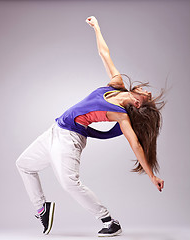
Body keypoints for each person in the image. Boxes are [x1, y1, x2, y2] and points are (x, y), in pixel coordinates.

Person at [16, 16, 165, 237]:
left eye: (147, 98)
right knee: (24, 164)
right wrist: (97, 27)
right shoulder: (116, 86)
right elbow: (104, 54)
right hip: (55, 130)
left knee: (69, 183)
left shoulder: (121, 115)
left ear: (137, 103)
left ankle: (109, 221)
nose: (149, 92)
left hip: (70, 138)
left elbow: (135, 145)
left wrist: (151, 175)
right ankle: (41, 208)